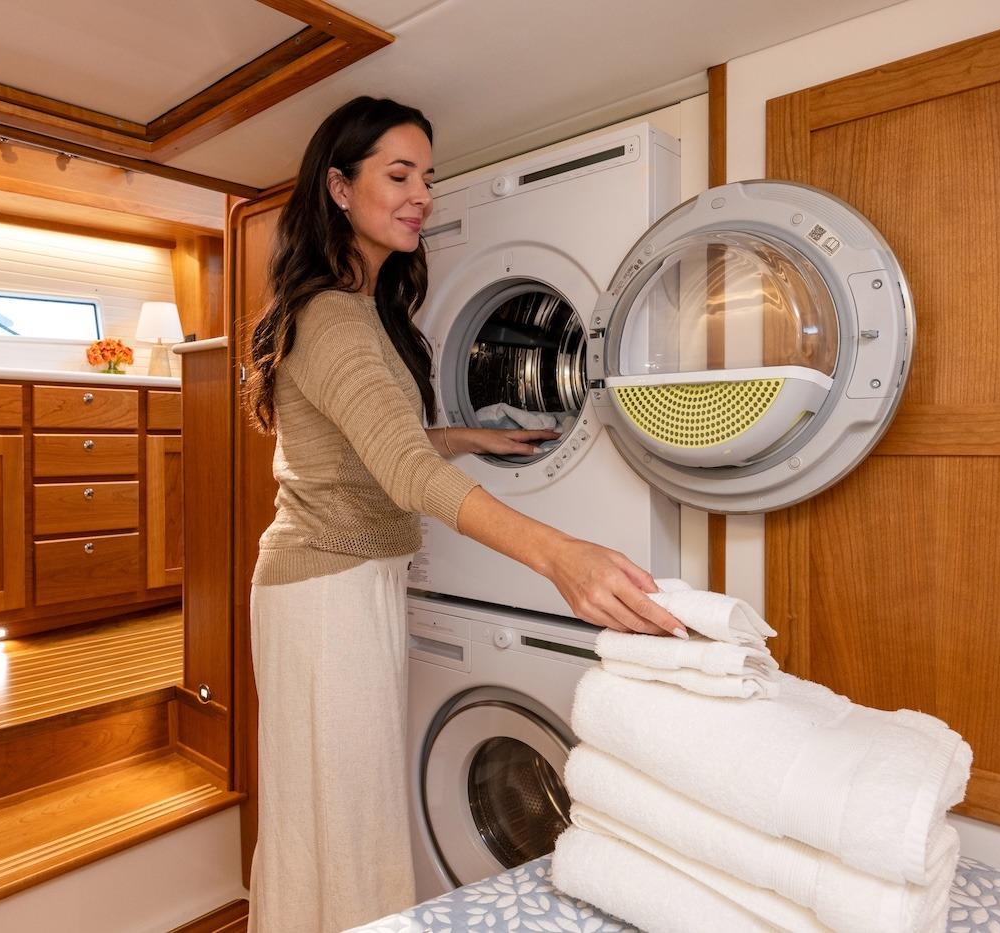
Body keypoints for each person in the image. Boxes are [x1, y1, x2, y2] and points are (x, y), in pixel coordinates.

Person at [243, 96, 685, 933]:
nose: (420, 196)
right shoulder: (331, 318)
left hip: (349, 582)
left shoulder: (362, 307)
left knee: (345, 811)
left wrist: (465, 434)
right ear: (339, 188)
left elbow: (376, 447)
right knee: (339, 822)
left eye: (429, 178)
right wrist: (559, 555)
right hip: (322, 594)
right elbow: (401, 471)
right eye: (398, 174)